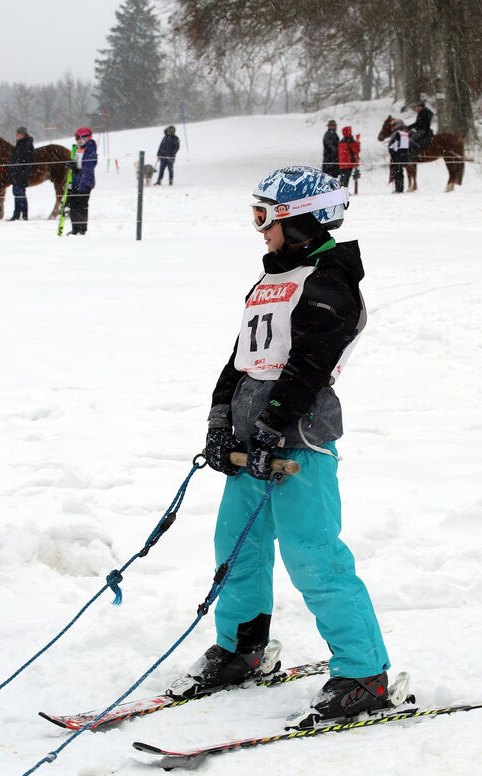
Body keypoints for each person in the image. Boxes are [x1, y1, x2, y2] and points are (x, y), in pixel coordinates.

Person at [168, 165, 391, 728]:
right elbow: (240, 360)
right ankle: (243, 648)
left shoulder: (330, 281)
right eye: (255, 214)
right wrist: (223, 423)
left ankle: (364, 673)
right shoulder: (272, 279)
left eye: (264, 216)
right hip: (253, 441)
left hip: (300, 442)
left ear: (298, 220)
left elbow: (309, 366)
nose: (258, 228)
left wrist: (272, 426)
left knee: (314, 556)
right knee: (236, 549)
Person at [67, 127, 97, 235]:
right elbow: (77, 163)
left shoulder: (90, 148)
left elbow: (88, 166)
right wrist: (72, 166)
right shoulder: (78, 148)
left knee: (81, 205)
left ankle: (81, 229)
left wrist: (81, 185)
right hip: (76, 181)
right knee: (73, 204)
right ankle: (75, 228)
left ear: (85, 138)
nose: (77, 141)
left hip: (85, 182)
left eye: (78, 138)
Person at [7, 126, 35, 221]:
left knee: (20, 193)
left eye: (18, 134)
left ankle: (24, 214)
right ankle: (16, 214)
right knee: (16, 193)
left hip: (21, 173)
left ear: (23, 134)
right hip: (16, 173)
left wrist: (19, 167)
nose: (16, 135)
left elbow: (26, 159)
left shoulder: (26, 144)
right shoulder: (19, 144)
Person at [388, 119, 409, 193]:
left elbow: (392, 145)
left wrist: (392, 153)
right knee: (400, 172)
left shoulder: (397, 133)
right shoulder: (405, 133)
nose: (393, 126)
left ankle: (398, 189)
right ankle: (401, 188)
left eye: (394, 124)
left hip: (397, 155)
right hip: (404, 155)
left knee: (397, 172)